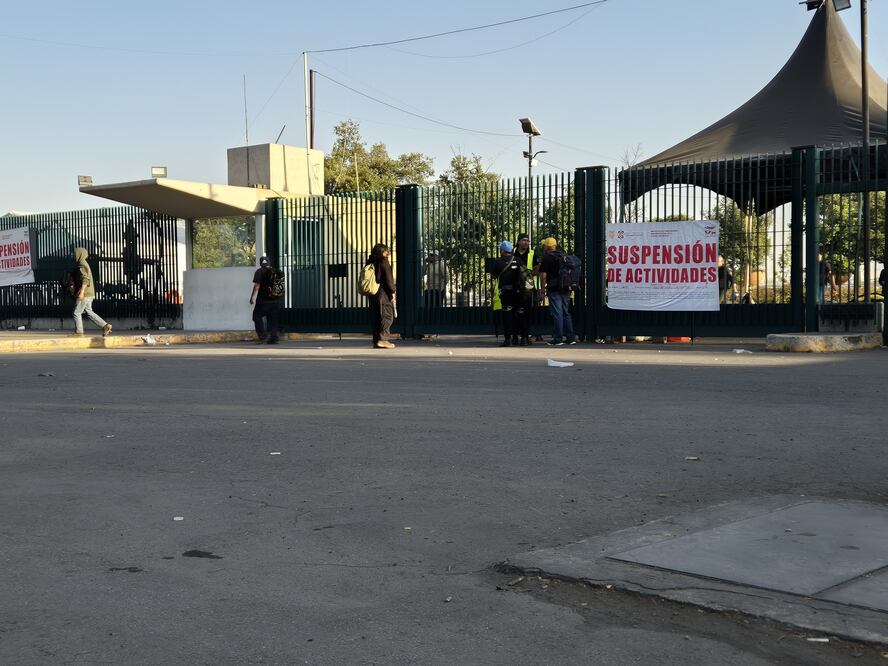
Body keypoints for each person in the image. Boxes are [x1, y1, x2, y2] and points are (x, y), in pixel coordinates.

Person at [538, 237, 576, 346]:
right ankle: (570, 338)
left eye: (544, 245)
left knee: (557, 313)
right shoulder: (563, 255)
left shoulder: (547, 258)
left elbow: (543, 276)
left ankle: (558, 339)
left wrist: (542, 290)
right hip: (565, 287)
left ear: (547, 246)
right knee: (566, 312)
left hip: (554, 288)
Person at [71, 247, 112, 338]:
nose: (73, 255)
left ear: (80, 254)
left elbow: (86, 279)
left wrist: (82, 292)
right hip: (90, 293)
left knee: (76, 312)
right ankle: (105, 326)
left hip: (85, 293)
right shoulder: (84, 264)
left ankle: (79, 333)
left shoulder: (82, 264)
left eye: (75, 254)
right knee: (89, 312)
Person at [367, 243, 396, 349]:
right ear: (382, 252)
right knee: (387, 316)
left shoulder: (370, 261)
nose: (387, 253)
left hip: (373, 293)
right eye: (386, 251)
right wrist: (392, 291)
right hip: (383, 292)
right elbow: (388, 278)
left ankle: (376, 340)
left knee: (376, 316)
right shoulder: (383, 261)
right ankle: (383, 339)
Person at [492, 241, 521, 347]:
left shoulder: (498, 262)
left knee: (507, 315)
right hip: (517, 291)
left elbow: (494, 275)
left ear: (503, 250)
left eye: (500, 249)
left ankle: (508, 339)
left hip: (505, 291)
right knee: (517, 314)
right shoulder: (518, 260)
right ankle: (517, 337)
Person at [249, 255, 282, 344]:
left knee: (256, 317)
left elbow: (257, 286)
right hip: (275, 300)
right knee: (273, 319)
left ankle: (262, 336)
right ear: (269, 262)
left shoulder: (259, 272)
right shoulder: (276, 271)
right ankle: (274, 338)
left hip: (263, 301)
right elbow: (280, 286)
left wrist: (252, 297)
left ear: (260, 263)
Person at [512, 233, 537, 345]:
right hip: (513, 287)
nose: (526, 242)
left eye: (528, 240)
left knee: (526, 313)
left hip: (527, 288)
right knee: (514, 313)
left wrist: (526, 273)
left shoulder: (532, 254)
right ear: (518, 242)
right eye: (523, 240)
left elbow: (537, 269)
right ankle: (514, 336)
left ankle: (525, 336)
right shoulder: (512, 253)